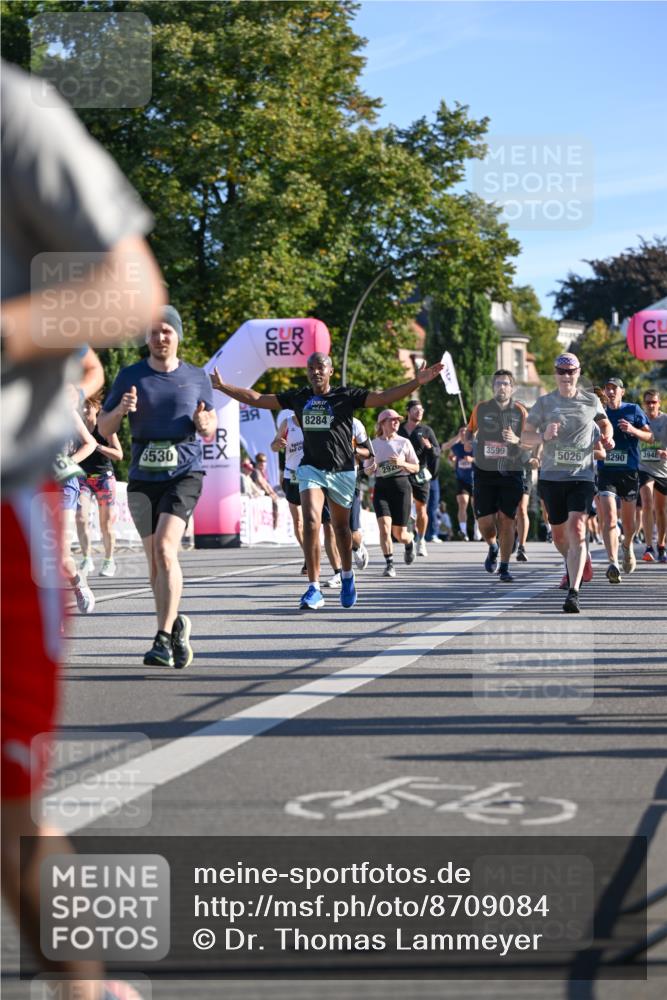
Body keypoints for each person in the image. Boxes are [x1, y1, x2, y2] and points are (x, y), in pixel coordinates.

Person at [1, 58, 164, 1000]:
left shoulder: (13, 112)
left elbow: (128, 290)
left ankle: (84, 990)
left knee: (8, 812)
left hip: (5, 498)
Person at [211, 351, 443, 609]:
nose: (315, 372)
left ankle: (347, 576)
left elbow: (383, 397)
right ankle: (314, 588)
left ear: (330, 371)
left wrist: (416, 382)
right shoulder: (300, 397)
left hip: (342, 471)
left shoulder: (345, 396)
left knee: (341, 529)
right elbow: (257, 398)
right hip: (310, 468)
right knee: (311, 521)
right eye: (311, 368)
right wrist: (223, 386)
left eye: (321, 367)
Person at [98, 306, 217, 668]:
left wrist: (204, 423)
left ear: (177, 335)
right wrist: (121, 409)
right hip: (142, 477)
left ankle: (162, 639)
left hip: (184, 474)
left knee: (166, 549)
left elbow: (209, 426)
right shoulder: (130, 376)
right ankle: (176, 623)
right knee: (155, 561)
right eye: (153, 332)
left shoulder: (196, 376)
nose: (160, 337)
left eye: (166, 331)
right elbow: (103, 427)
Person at [522, 353, 614, 613]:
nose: (566, 376)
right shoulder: (544, 403)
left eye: (570, 371)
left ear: (578, 372)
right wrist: (543, 435)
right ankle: (579, 559)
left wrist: (608, 437)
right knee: (560, 536)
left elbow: (605, 424)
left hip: (581, 476)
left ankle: (573, 593)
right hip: (551, 478)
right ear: (555, 373)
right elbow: (525, 437)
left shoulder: (590, 400)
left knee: (578, 529)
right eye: (561, 371)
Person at [464, 370, 530, 583]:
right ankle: (493, 546)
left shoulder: (520, 411)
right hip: (484, 471)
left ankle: (504, 566)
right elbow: (469, 430)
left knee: (507, 519)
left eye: (506, 384)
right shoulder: (481, 408)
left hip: (511, 471)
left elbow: (531, 440)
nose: (502, 387)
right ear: (493, 387)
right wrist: (467, 440)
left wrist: (516, 439)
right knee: (485, 522)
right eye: (498, 383)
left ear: (512, 388)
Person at [271, 409, 346, 582]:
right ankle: (308, 552)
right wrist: (278, 444)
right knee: (298, 521)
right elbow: (273, 446)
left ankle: (321, 559)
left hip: (313, 475)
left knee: (316, 521)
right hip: (291, 476)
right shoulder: (287, 423)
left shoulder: (316, 421)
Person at [595, 378, 651, 581]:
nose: (610, 392)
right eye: (607, 388)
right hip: (606, 471)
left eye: (614, 388)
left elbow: (650, 437)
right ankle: (613, 563)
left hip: (629, 472)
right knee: (609, 517)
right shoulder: (599, 412)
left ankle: (627, 545)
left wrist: (633, 430)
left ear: (622, 391)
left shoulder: (633, 410)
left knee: (629, 525)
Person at [365, 409, 419, 577]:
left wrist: (402, 463)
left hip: (401, 487)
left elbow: (416, 467)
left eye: (398, 420)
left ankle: (409, 542)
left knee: (399, 533)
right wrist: (371, 468)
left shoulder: (404, 442)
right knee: (384, 528)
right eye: (392, 420)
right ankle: (389, 564)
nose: (396, 422)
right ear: (382, 423)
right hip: (382, 487)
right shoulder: (373, 444)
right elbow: (366, 470)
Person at [76, 391, 123, 577]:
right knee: (81, 518)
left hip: (104, 478)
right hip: (83, 478)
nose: (85, 410)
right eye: (83, 406)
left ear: (97, 408)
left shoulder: (105, 429)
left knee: (106, 523)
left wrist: (98, 446)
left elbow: (119, 454)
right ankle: (86, 558)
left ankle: (109, 560)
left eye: (89, 406)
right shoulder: (77, 427)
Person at [398, 399, 440, 557]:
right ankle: (409, 534)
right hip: (402, 472)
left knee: (421, 509)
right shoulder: (399, 429)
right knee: (406, 505)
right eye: (416, 409)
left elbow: (437, 451)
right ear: (408, 411)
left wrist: (430, 447)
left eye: (421, 410)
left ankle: (421, 540)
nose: (419, 412)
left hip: (420, 472)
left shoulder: (426, 430)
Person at [638, 389, 667, 563]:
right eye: (648, 402)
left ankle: (661, 546)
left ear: (659, 403)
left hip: (663, 470)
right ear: (644, 404)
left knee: (661, 510)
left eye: (653, 402)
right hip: (644, 468)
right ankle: (648, 547)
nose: (650, 405)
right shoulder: (639, 419)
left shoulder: (665, 420)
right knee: (647, 503)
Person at [443, 427, 475, 540]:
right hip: (461, 480)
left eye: (465, 431)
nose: (463, 433)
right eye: (461, 431)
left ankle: (478, 530)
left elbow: (483, 459)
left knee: (475, 505)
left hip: (475, 479)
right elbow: (445, 448)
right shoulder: (456, 446)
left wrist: (472, 460)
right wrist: (451, 459)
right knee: (463, 503)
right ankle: (463, 531)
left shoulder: (475, 445)